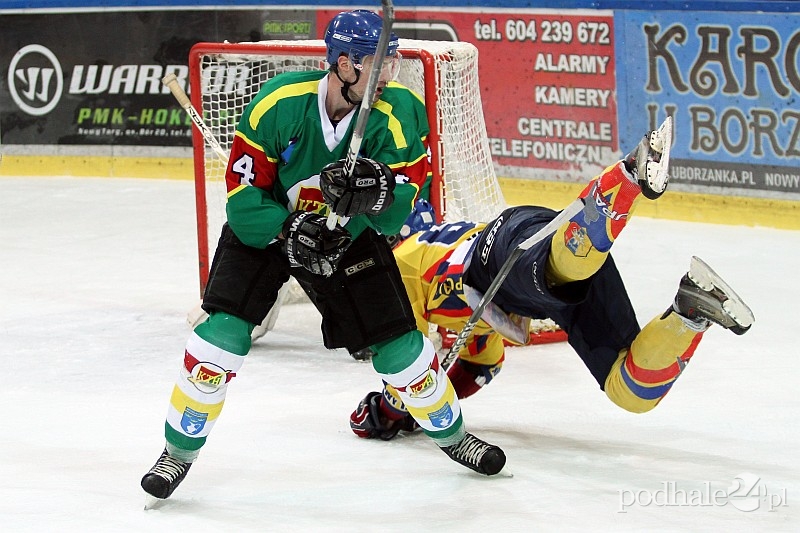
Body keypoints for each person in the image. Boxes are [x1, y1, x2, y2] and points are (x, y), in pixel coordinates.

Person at [141, 9, 506, 502]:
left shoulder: (398, 112)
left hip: (347, 239)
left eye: (391, 62)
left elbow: (397, 210)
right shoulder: (278, 105)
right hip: (270, 231)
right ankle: (177, 453)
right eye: (376, 64)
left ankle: (455, 437)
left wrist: (376, 191)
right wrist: (289, 228)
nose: (388, 74)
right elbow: (243, 202)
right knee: (218, 341)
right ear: (343, 63)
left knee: (402, 351)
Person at [349, 117, 755, 440]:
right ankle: (690, 310)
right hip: (548, 286)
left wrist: (392, 409)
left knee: (554, 274)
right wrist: (436, 404)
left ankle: (629, 175)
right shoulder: (433, 288)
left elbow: (413, 366)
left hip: (499, 251)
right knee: (630, 392)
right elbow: (481, 364)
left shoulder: (400, 265)